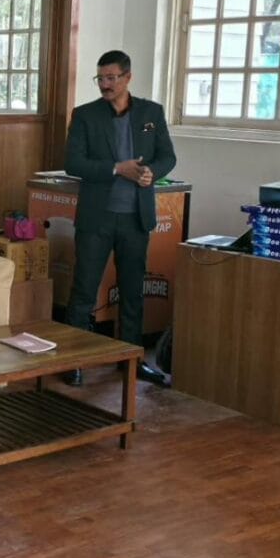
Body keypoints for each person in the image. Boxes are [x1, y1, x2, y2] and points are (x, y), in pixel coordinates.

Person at [63, 50, 177, 387]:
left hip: (135, 217)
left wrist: (152, 172)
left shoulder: (151, 112)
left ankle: (131, 360)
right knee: (84, 290)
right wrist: (116, 169)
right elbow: (73, 163)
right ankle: (74, 360)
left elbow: (168, 156)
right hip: (97, 218)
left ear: (128, 77)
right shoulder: (85, 115)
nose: (105, 84)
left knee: (132, 292)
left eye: (111, 78)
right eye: (100, 78)